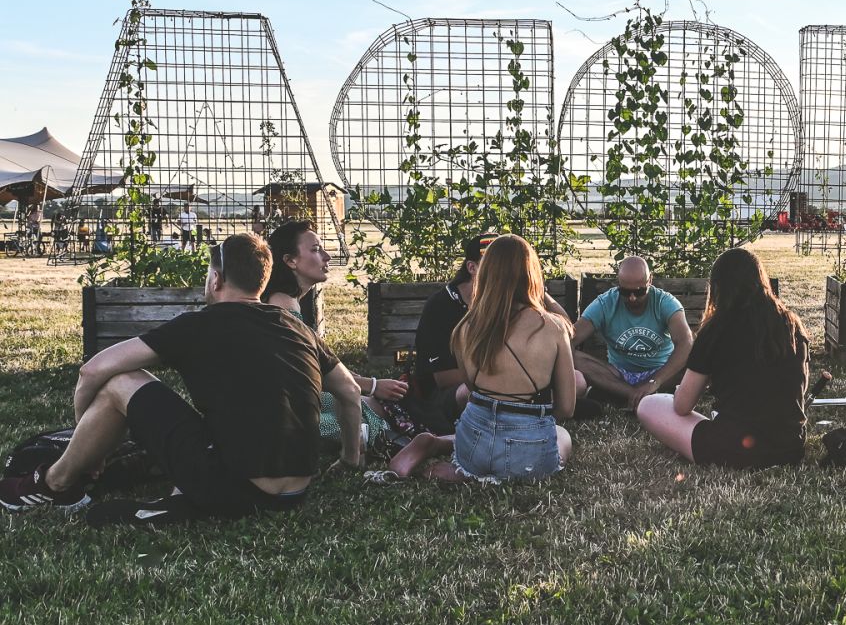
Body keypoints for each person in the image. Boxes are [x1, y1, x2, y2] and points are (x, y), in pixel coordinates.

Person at [0, 232, 363, 522]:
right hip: (296, 492)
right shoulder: (298, 329)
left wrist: (89, 449)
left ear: (216, 279)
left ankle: (56, 483)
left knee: (120, 382)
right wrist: (350, 459)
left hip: (233, 489)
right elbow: (348, 390)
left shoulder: (199, 325)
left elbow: (93, 369)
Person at [387, 234, 576, 482]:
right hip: (528, 449)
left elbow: (473, 389)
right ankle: (482, 471)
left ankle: (458, 462)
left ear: (485, 273)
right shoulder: (552, 327)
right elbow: (566, 408)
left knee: (482, 434)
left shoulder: (465, 327)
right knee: (562, 435)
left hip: (473, 441)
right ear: (532, 273)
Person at [637, 247, 808, 468]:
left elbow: (682, 406)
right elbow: (796, 392)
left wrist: (680, 391)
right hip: (790, 448)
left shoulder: (717, 328)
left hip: (734, 450)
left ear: (717, 287)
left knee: (649, 405)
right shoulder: (792, 325)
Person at [408, 232, 574, 432]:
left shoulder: (476, 321)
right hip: (458, 394)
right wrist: (504, 376)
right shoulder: (444, 307)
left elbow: (567, 328)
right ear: (473, 268)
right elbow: (444, 379)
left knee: (577, 380)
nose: (505, 274)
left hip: (486, 425)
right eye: (498, 268)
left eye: (511, 269)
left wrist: (538, 291)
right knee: (473, 396)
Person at [263, 220, 408, 445]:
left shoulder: (288, 300)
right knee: (361, 413)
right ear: (290, 260)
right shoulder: (283, 306)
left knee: (365, 405)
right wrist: (373, 384)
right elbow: (305, 372)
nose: (327, 257)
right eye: (315, 250)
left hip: (296, 398)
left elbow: (319, 364)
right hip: (283, 407)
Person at [572, 256, 693, 410]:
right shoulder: (605, 303)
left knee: (696, 359)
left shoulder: (665, 303)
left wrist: (654, 382)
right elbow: (569, 340)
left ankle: (619, 396)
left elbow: (686, 343)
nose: (632, 297)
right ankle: (636, 396)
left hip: (660, 373)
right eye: (625, 291)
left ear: (650, 280)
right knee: (573, 356)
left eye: (640, 291)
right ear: (618, 283)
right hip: (619, 375)